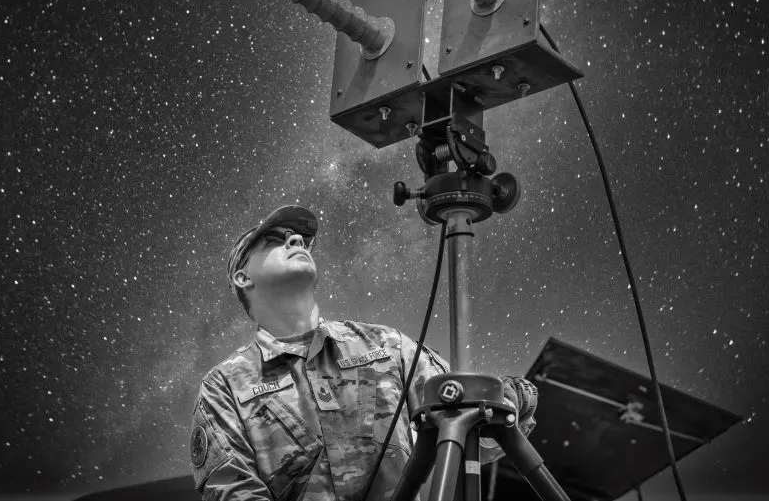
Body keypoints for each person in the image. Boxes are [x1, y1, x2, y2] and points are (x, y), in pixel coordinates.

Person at [190, 205, 537, 500]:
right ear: (242, 278)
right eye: (273, 240)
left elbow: (469, 437)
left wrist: (506, 402)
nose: (296, 241)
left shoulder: (387, 347)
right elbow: (234, 492)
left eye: (301, 239)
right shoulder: (225, 386)